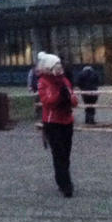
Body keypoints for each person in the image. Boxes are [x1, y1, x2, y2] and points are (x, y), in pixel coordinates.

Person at [36, 51, 78, 198]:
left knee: (66, 154)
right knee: (59, 154)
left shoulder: (65, 81)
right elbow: (48, 102)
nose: (59, 68)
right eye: (56, 66)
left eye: (60, 66)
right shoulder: (43, 82)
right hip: (53, 123)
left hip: (66, 121)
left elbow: (74, 100)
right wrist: (60, 95)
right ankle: (66, 184)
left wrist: (70, 97)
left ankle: (62, 180)